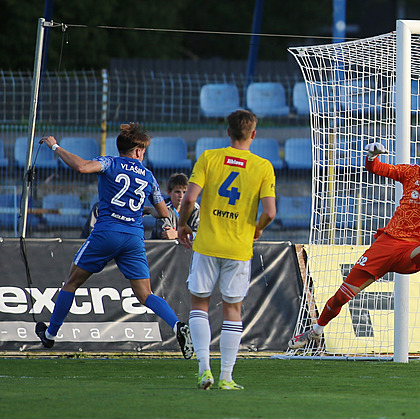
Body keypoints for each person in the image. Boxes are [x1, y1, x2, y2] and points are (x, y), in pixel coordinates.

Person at [289, 141, 420, 350]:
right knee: (341, 296)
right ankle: (316, 331)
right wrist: (372, 156)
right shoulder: (410, 173)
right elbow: (377, 168)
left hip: (413, 250)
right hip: (386, 244)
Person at [35, 123, 194, 359]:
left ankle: (51, 334)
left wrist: (55, 146)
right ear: (138, 151)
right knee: (145, 294)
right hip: (133, 238)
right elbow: (163, 212)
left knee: (72, 282)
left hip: (107, 232)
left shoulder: (110, 162)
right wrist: (147, 210)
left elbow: (81, 167)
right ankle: (177, 325)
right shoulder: (148, 176)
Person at [177, 109, 276, 390]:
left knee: (199, 304)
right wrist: (258, 228)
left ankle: (204, 370)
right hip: (238, 246)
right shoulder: (262, 166)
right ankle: (226, 378)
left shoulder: (209, 158)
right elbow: (270, 211)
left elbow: (190, 198)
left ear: (228, 132)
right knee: (233, 308)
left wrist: (183, 225)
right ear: (253, 134)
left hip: (207, 244)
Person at [150, 172, 200, 240]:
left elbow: (200, 234)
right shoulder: (164, 209)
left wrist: (177, 234)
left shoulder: (195, 208)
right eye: (177, 192)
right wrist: (189, 235)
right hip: (163, 249)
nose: (181, 196)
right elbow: (167, 235)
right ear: (169, 193)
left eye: (185, 192)